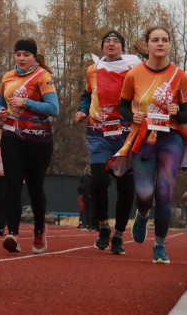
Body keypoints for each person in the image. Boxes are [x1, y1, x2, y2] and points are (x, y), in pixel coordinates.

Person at [109, 26, 187, 265]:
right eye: (155, 40)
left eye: (165, 40)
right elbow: (122, 106)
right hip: (144, 138)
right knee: (144, 194)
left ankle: (160, 247)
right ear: (147, 45)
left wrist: (178, 111)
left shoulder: (179, 75)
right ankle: (142, 214)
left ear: (168, 45)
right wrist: (130, 116)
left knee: (165, 193)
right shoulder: (134, 74)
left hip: (170, 138)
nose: (160, 44)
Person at [73, 30, 142, 254]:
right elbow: (87, 95)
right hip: (98, 131)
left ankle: (119, 235)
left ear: (122, 47)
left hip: (126, 133)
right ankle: (103, 226)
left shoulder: (134, 69)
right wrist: (82, 111)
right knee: (99, 181)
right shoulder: (93, 69)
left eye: (116, 42)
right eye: (107, 42)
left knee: (125, 186)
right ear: (102, 47)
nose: (111, 44)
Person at [0, 38, 59, 255]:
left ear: (34, 56)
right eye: (18, 54)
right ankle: (12, 233)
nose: (21, 59)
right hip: (11, 135)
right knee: (12, 184)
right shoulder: (7, 77)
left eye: (26, 55)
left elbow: (54, 109)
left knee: (34, 187)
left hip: (38, 138)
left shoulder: (43, 76)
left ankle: (39, 230)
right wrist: (0, 112)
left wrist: (27, 103)